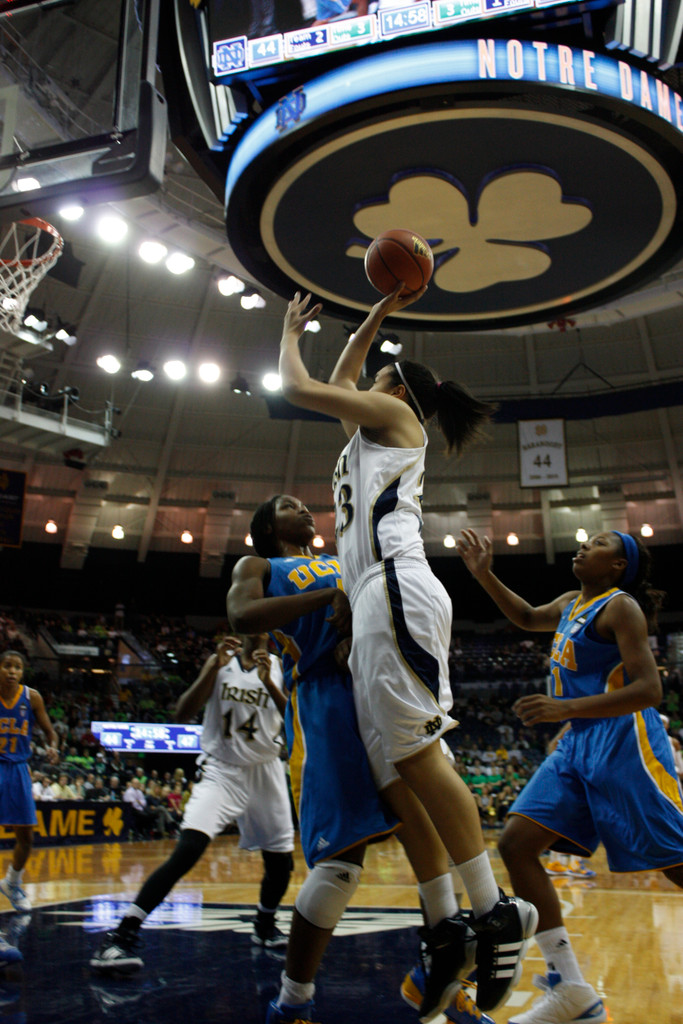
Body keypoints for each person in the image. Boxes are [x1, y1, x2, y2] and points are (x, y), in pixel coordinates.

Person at [278, 289, 537, 1021]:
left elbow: (302, 384)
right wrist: (375, 314)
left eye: (377, 373)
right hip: (371, 600)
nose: (362, 380)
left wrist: (285, 331)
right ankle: (446, 921)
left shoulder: (397, 419)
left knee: (418, 756)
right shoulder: (371, 425)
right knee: (396, 775)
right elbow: (344, 371)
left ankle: (495, 911)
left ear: (396, 389)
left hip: (394, 588)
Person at [456, 527, 683, 1024]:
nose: (584, 546)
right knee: (515, 845)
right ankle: (572, 988)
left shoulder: (621, 607)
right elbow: (523, 616)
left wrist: (565, 707)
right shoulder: (568, 602)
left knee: (676, 862)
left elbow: (648, 690)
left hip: (624, 742)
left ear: (618, 565)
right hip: (577, 741)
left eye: (599, 542)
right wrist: (484, 574)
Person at [229, 495, 405, 1024]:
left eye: (306, 504)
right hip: (325, 697)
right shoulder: (259, 565)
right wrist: (331, 595)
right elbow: (241, 615)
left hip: (381, 684)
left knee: (430, 828)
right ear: (266, 525)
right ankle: (294, 1000)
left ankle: (440, 964)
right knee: (341, 861)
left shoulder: (345, 554)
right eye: (288, 505)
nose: (305, 509)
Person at [90, 634, 295, 973]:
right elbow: (182, 712)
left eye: (264, 625)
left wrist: (269, 685)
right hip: (221, 769)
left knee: (281, 865)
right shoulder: (220, 663)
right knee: (186, 851)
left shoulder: (279, 665)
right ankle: (121, 935)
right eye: (250, 624)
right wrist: (210, 670)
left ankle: (264, 924)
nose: (258, 631)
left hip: (265, 770)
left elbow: (295, 720)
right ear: (239, 627)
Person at [0, 650, 59, 917]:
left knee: (26, 838)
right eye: (7, 666)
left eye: (18, 667)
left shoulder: (31, 697)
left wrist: (53, 747)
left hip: (19, 769)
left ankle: (12, 883)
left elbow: (50, 732)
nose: (12, 671)